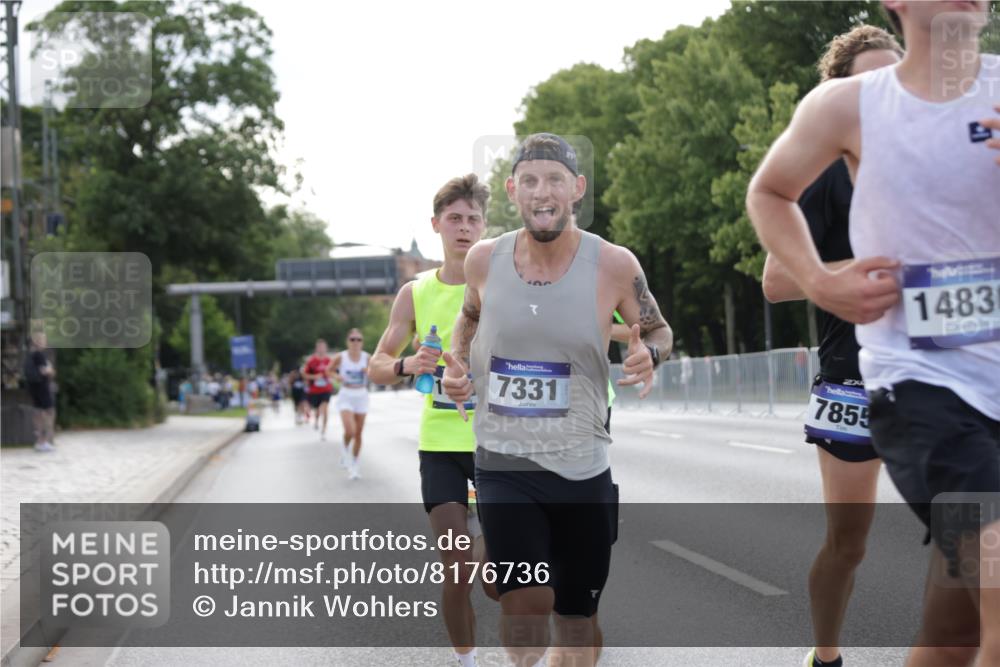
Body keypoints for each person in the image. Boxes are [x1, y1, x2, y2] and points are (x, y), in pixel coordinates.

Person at [747, 3, 999, 665]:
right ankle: (825, 648)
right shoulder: (846, 114)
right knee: (855, 542)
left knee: (955, 628)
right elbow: (768, 201)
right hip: (908, 385)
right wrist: (825, 280)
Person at [442, 133, 673, 667]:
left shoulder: (614, 265)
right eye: (529, 181)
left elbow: (658, 329)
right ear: (511, 191)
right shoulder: (483, 260)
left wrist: (650, 356)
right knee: (527, 604)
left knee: (576, 618)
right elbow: (471, 315)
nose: (541, 192)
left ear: (577, 189)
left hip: (582, 464)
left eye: (554, 181)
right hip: (504, 461)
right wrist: (462, 369)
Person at [760, 24, 902, 667]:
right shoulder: (819, 176)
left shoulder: (942, 160)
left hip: (941, 375)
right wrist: (864, 270)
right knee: (850, 544)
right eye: (868, 81)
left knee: (969, 534)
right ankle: (826, 655)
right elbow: (774, 282)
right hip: (853, 380)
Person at [369, 173, 493, 667]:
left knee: (499, 583)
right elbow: (377, 363)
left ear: (485, 227)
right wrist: (407, 364)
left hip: (497, 445)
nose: (464, 228)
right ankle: (466, 660)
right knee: (455, 568)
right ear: (437, 224)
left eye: (474, 220)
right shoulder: (415, 292)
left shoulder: (503, 283)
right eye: (455, 219)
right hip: (441, 447)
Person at [329, 328, 371, 479]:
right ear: (348, 341)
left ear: (362, 342)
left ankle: (354, 465)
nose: (355, 342)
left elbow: (376, 372)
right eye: (352, 339)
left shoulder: (367, 357)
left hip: (361, 395)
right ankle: (345, 449)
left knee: (358, 433)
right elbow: (329, 370)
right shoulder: (341, 357)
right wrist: (337, 377)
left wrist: (368, 371)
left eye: (358, 339)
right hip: (346, 395)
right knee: (350, 431)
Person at [24, 331, 57, 453]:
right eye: (43, 341)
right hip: (42, 388)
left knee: (37, 413)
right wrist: (50, 369)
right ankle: (45, 441)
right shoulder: (39, 355)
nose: (45, 343)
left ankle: (39, 442)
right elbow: (47, 372)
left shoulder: (31, 355)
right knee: (49, 412)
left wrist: (49, 369)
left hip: (34, 388)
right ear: (38, 342)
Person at [302, 339, 334, 440]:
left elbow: (334, 372)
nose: (321, 349)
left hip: (326, 389)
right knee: (317, 409)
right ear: (316, 348)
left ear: (326, 348)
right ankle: (316, 419)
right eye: (319, 347)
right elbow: (304, 374)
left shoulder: (329, 361)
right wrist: (314, 377)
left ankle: (323, 431)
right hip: (315, 390)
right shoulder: (311, 361)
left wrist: (331, 376)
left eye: (323, 347)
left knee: (325, 408)